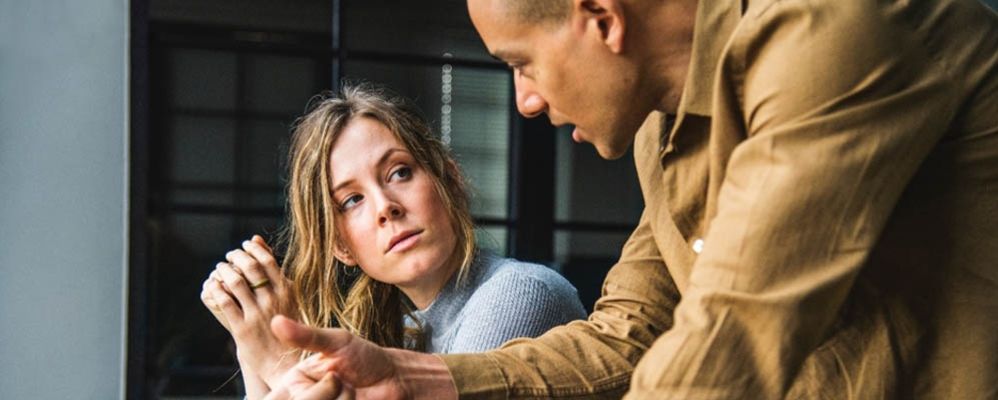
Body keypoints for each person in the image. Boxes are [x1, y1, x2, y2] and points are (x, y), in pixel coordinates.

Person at [259, 0, 998, 398]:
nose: (524, 101)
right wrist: (412, 377)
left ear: (602, 18)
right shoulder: (661, 132)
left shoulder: (833, 30)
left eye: (522, 63)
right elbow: (628, 333)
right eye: (348, 202)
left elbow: (733, 333)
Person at [199, 84, 587, 398]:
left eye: (399, 172)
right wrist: (250, 342)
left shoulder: (521, 294)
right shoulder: (402, 336)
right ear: (341, 247)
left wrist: (281, 362)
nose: (385, 207)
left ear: (450, 180)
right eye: (352, 200)